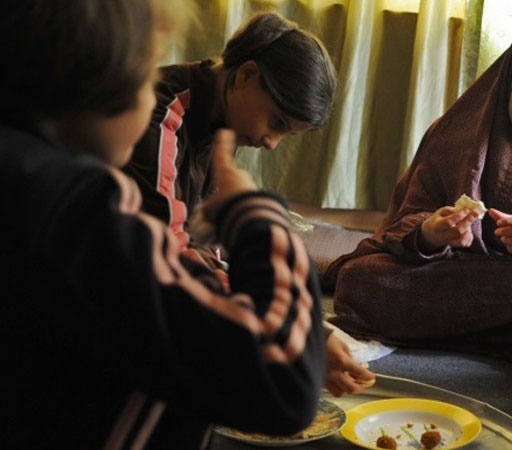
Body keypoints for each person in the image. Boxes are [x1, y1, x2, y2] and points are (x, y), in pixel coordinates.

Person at [0, 1, 328, 447]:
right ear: (95, 78)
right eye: (145, 68)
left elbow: (190, 254)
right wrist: (257, 216)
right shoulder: (73, 208)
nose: (155, 84)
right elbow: (283, 381)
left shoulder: (27, 174)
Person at [322, 22, 512, 366]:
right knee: (359, 279)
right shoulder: (455, 130)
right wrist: (431, 232)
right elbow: (404, 220)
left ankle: (441, 332)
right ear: (509, 81)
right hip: (446, 271)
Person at [124, 11, 373, 396]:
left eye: (285, 134)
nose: (272, 143)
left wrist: (312, 327)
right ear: (246, 75)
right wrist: (294, 334)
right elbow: (168, 252)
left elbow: (206, 245)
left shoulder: (219, 121)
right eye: (276, 121)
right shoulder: (163, 111)